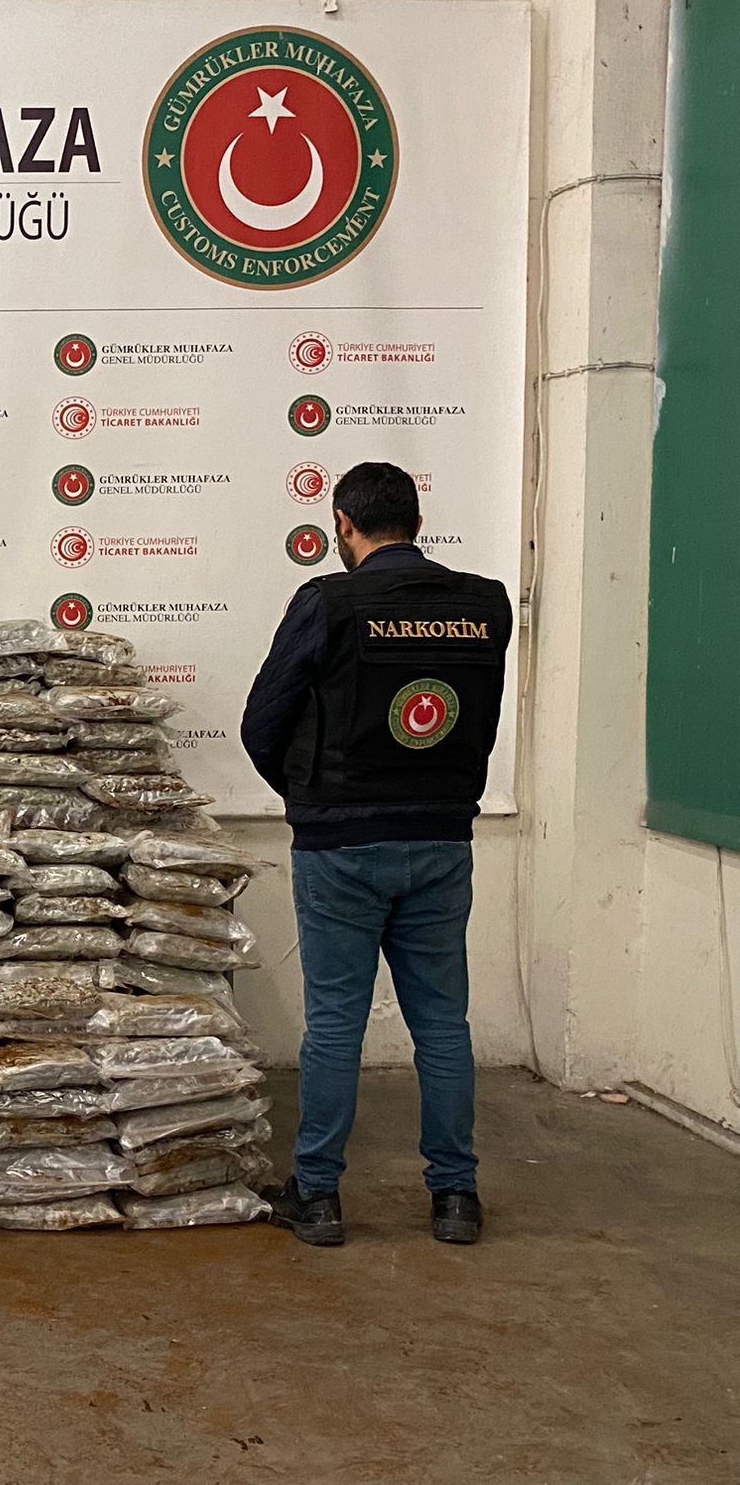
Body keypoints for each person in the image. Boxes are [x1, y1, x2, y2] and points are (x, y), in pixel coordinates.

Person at [240, 461, 512, 1248]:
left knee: (334, 1025)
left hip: (340, 847)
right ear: (417, 525)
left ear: (343, 524)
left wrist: (312, 796)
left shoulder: (328, 601)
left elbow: (263, 722)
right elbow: (479, 719)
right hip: (442, 838)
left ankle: (318, 1195)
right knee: (443, 1026)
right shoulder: (485, 605)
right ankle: (455, 1198)